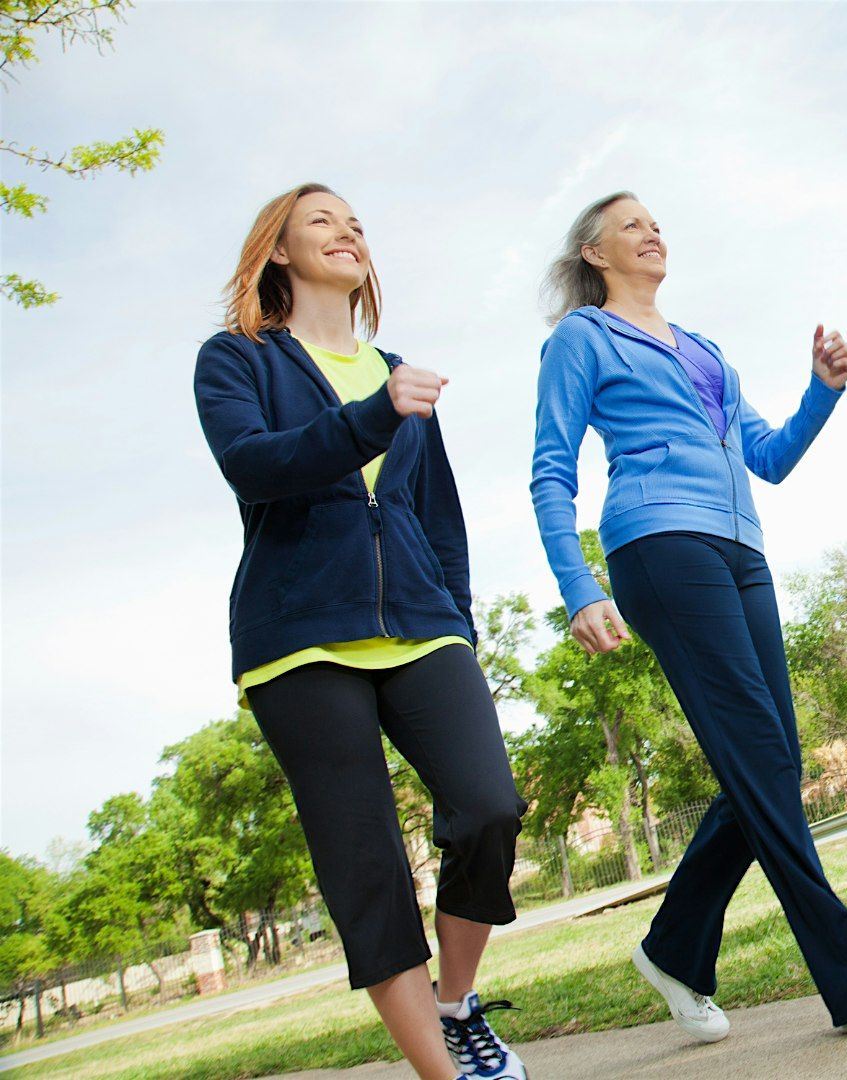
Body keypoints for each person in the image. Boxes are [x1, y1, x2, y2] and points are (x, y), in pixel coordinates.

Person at [530, 190, 847, 1040]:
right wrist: (579, 586)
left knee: (772, 762)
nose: (652, 232)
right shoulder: (582, 338)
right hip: (659, 544)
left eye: (656, 222)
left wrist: (822, 391)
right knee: (762, 757)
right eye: (631, 225)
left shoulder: (706, 352)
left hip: (741, 549)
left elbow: (768, 457)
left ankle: (674, 948)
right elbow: (551, 468)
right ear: (594, 253)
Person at [194, 182, 528, 1080]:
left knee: (489, 808)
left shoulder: (396, 367)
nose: (347, 231)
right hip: (299, 641)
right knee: (366, 865)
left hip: (421, 627)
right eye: (322, 220)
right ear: (278, 250)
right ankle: (444, 1074)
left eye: (356, 224)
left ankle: (456, 1004)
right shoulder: (237, 359)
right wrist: (373, 414)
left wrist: (458, 623)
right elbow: (253, 465)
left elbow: (436, 514)